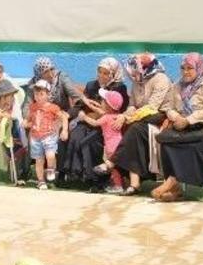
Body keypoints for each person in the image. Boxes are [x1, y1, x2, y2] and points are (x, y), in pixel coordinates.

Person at [153, 53, 203, 202]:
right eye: (183, 68)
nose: (185, 72)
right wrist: (176, 117)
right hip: (189, 126)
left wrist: (188, 120)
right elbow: (168, 107)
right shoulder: (178, 85)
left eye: (190, 68)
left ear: (199, 67)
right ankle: (176, 190)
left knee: (196, 146)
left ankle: (172, 181)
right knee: (167, 142)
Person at [109, 53, 174, 195]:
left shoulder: (161, 79)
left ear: (144, 67)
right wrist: (123, 115)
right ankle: (133, 183)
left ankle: (112, 162)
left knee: (134, 128)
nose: (131, 74)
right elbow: (132, 105)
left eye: (134, 70)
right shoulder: (137, 82)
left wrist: (127, 119)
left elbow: (152, 107)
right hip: (141, 118)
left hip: (161, 116)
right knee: (128, 128)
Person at [60, 57, 129, 189]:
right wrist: (68, 115)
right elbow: (80, 105)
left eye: (106, 73)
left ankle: (95, 178)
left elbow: (118, 111)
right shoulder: (92, 85)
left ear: (113, 74)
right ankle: (75, 174)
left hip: (105, 126)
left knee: (89, 141)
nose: (101, 76)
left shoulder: (119, 88)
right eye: (100, 72)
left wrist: (92, 112)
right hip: (88, 120)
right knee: (75, 135)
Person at [77, 89, 126, 193]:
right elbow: (101, 111)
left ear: (108, 106)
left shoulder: (106, 118)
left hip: (110, 147)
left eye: (103, 101)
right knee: (116, 168)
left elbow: (95, 123)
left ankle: (118, 186)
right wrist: (92, 105)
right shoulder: (115, 116)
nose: (101, 102)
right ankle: (119, 184)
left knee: (113, 169)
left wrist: (84, 117)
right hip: (119, 145)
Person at [24, 80, 69, 190]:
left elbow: (63, 117)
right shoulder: (33, 107)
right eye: (36, 94)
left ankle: (51, 169)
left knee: (50, 155)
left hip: (49, 136)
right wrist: (26, 123)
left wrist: (64, 130)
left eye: (41, 94)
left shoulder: (53, 107)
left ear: (48, 95)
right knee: (39, 160)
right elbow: (29, 119)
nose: (38, 97)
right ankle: (40, 181)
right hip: (35, 137)